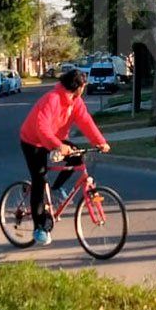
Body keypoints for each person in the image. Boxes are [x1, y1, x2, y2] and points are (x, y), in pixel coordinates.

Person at [18, 68, 111, 246]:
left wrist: (100, 141)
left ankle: (54, 189)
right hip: (32, 141)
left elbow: (85, 121)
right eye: (83, 86)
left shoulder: (75, 101)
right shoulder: (53, 99)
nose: (83, 90)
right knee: (39, 179)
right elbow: (41, 128)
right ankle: (39, 228)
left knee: (77, 157)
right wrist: (59, 146)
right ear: (76, 86)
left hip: (55, 138)